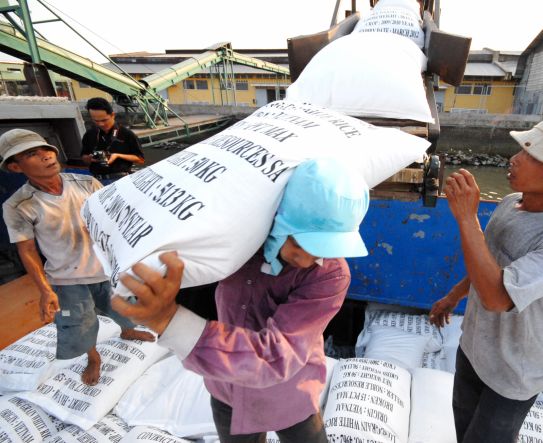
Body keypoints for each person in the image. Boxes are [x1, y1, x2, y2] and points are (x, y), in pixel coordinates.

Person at [111, 158, 370, 443]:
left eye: (323, 248)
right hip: (228, 392)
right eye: (297, 242)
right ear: (278, 217)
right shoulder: (239, 242)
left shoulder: (329, 275)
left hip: (290, 393)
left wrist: (169, 322)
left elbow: (276, 354)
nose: (306, 259)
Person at [429, 110, 543, 443]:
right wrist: (453, 296)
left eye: (531, 155)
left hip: (514, 372)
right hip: (474, 349)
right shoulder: (512, 202)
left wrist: (467, 220)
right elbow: (487, 261)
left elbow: (497, 296)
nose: (515, 158)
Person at [1, 129, 155, 387]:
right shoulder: (19, 205)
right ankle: (93, 357)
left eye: (47, 150)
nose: (47, 156)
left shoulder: (86, 183)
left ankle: (127, 331)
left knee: (127, 308)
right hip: (66, 279)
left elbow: (114, 218)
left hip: (106, 269)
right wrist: (45, 290)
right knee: (78, 324)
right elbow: (27, 251)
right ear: (16, 167)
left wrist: (102, 226)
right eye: (32, 154)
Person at [80, 97, 145, 180]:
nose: (101, 124)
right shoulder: (90, 134)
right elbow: (84, 157)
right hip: (97, 180)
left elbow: (140, 159)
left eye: (104, 120)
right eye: (96, 121)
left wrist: (117, 155)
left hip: (120, 179)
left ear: (112, 115)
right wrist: (91, 158)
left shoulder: (127, 134)